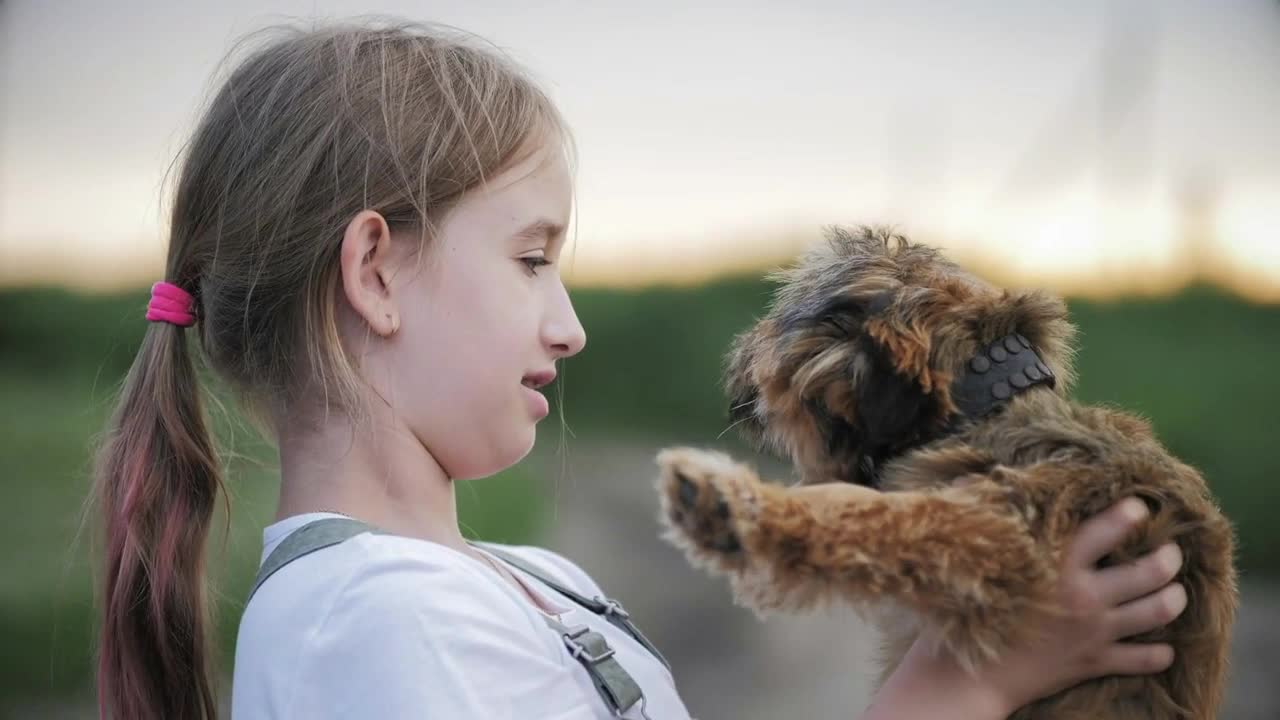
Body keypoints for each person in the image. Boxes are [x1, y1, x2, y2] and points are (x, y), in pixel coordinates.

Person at [91, 19, 1187, 720]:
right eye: (531, 260)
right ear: (374, 273)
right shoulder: (378, 625)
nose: (567, 328)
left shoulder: (523, 581)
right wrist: (969, 680)